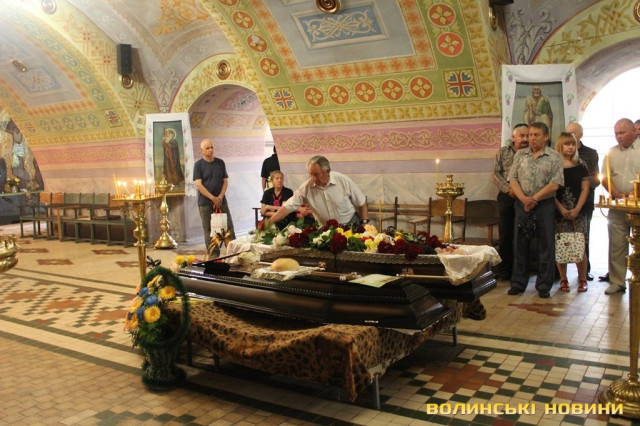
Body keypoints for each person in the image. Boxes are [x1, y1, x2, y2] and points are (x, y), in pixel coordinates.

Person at [507, 122, 564, 298]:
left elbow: (555, 183)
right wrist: (524, 199)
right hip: (522, 204)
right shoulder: (520, 155)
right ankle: (518, 283)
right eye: (530, 135)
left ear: (546, 137)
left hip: (544, 205)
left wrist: (534, 199)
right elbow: (513, 179)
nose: (531, 138)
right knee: (520, 244)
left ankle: (544, 285)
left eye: (536, 135)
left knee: (545, 245)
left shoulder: (554, 157)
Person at [267, 155, 369, 226]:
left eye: (316, 174)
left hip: (350, 224)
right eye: (310, 174)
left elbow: (362, 202)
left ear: (327, 171)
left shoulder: (342, 180)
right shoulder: (306, 187)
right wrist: (268, 223)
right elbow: (288, 206)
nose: (313, 178)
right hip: (326, 230)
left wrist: (364, 224)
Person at [600, 118, 640, 294]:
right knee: (616, 244)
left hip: (638, 207)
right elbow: (604, 177)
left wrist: (634, 194)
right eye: (616, 133)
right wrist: (617, 194)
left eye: (622, 133)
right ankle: (617, 281)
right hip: (617, 206)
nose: (618, 136)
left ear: (634, 131)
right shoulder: (611, 152)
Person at [491, 123, 529, 280]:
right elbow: (495, 174)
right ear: (513, 137)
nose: (525, 139)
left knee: (523, 233)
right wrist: (509, 189)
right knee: (506, 233)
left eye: (527, 135)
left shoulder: (531, 153)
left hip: (525, 196)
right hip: (507, 196)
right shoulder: (503, 152)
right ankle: (505, 269)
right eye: (522, 136)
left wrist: (520, 191)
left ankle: (521, 270)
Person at [554, 132, 590, 292]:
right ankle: (563, 279)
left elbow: (585, 189)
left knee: (579, 245)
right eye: (567, 144)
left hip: (578, 211)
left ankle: (582, 279)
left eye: (573, 144)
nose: (570, 147)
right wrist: (561, 209)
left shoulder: (580, 164)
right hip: (559, 212)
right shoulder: (554, 165)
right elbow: (551, 191)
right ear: (560, 145)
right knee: (561, 244)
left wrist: (577, 209)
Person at [566, 122, 599, 281]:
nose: (571, 135)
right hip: (565, 201)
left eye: (574, 132)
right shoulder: (558, 155)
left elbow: (595, 179)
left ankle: (585, 272)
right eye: (568, 132)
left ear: (580, 135)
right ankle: (560, 273)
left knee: (583, 236)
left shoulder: (590, 154)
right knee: (562, 236)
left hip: (584, 201)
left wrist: (581, 187)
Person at [194, 138, 235, 250]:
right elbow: (199, 185)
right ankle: (213, 255)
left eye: (212, 147)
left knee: (229, 227)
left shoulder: (220, 163)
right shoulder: (198, 165)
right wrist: (213, 198)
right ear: (202, 150)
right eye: (207, 148)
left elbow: (225, 181)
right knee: (209, 230)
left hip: (221, 201)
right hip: (205, 202)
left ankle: (232, 252)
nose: (210, 150)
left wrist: (220, 197)